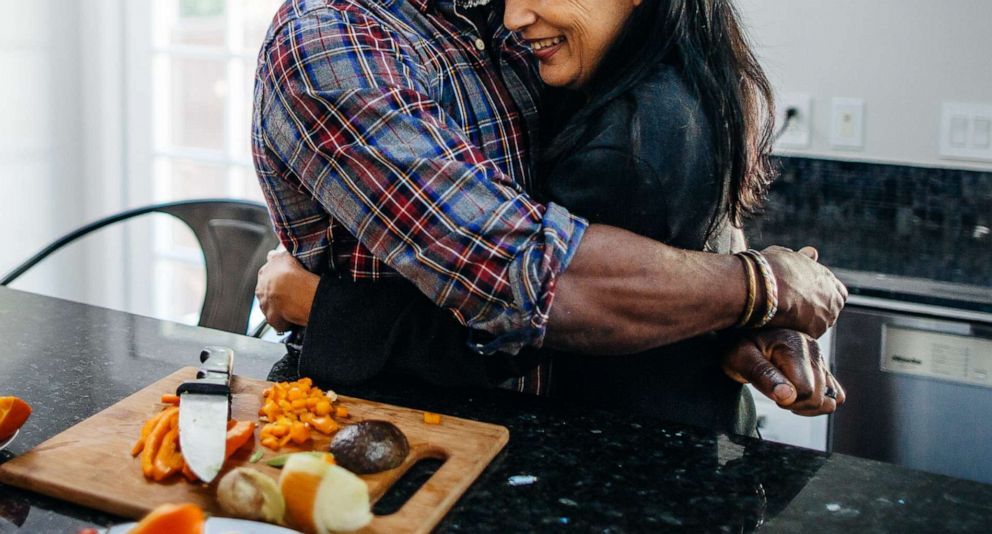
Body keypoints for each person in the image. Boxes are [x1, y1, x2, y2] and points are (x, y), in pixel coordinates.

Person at [251, 0, 847, 432]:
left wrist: (751, 301)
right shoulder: (332, 37)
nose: (517, 14)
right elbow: (526, 281)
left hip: (582, 442)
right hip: (398, 432)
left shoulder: (524, 35)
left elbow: (563, 280)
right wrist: (760, 288)